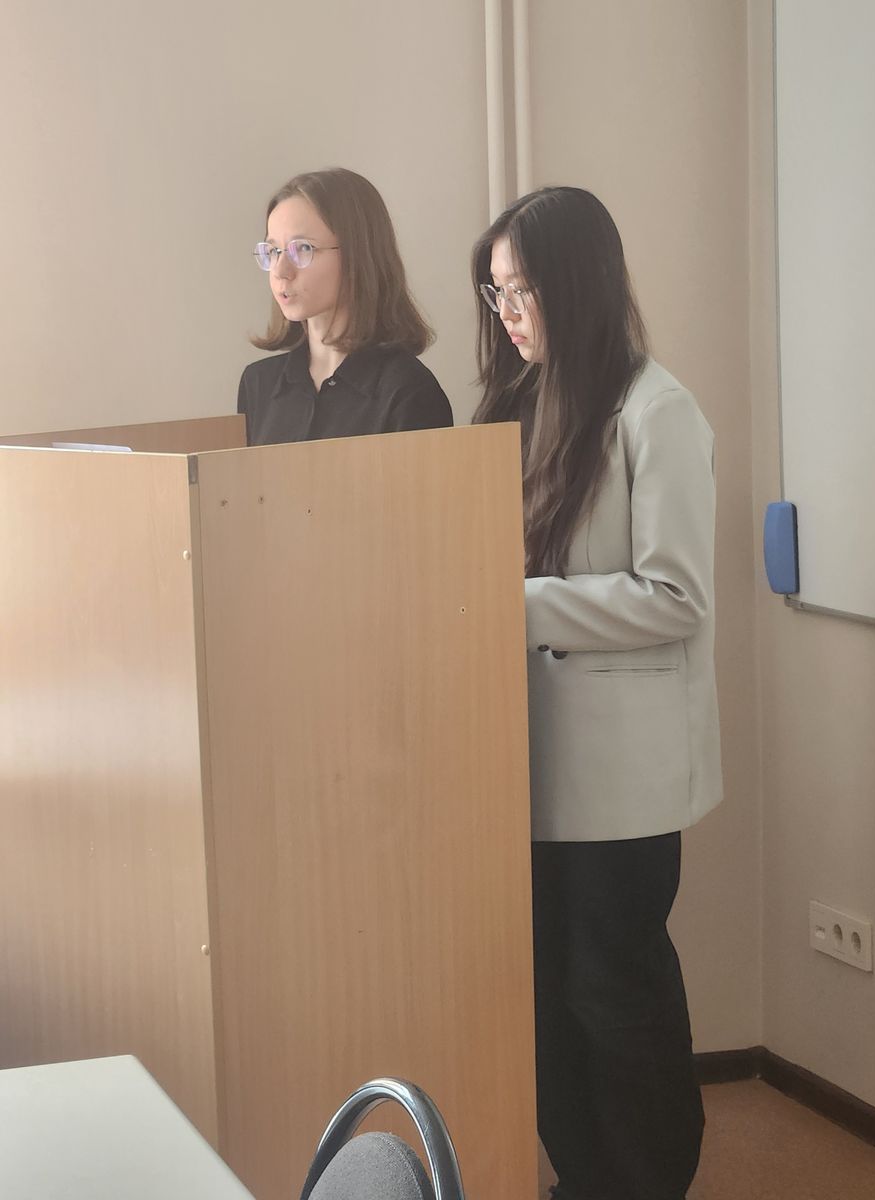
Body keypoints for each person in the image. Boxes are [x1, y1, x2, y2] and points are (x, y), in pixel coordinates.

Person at [472, 187, 722, 1200]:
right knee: (544, 997)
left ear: (578, 283)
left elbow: (677, 596)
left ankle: (648, 1181)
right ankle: (587, 1179)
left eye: (523, 290)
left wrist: (518, 603)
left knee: (614, 991)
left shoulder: (658, 410)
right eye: (496, 293)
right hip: (522, 759)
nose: (509, 314)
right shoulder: (519, 405)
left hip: (621, 779)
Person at [238, 167, 452, 445]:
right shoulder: (258, 384)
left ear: (357, 254)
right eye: (272, 251)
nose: (280, 271)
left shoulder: (408, 390)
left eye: (303, 248)